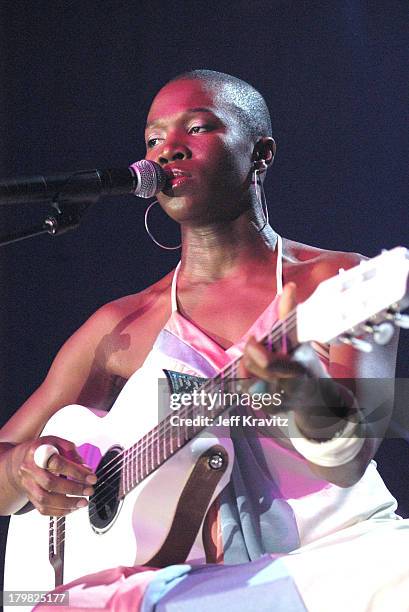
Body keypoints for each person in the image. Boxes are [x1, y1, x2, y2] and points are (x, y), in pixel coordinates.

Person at [0, 70, 407, 611]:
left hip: (338, 565)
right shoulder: (121, 325)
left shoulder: (337, 284)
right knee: (52, 602)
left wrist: (304, 398)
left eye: (197, 128)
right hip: (191, 586)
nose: (168, 149)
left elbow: (349, 458)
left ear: (260, 153)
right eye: (152, 139)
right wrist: (25, 466)